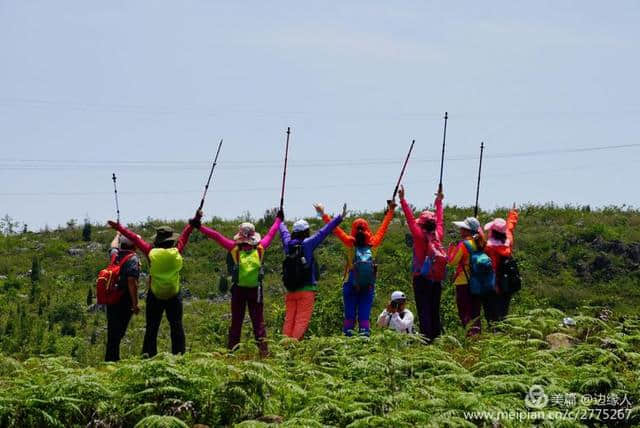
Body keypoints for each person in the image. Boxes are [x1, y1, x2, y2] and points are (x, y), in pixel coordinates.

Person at [108, 212, 200, 357]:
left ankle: (148, 356)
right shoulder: (177, 251)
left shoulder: (151, 252)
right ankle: (179, 355)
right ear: (172, 241)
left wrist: (119, 227)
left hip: (155, 295)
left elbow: (134, 239)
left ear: (157, 240)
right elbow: (185, 234)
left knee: (152, 327)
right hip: (174, 295)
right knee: (176, 326)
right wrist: (194, 220)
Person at [192, 210, 282, 356]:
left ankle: (232, 353)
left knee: (236, 322)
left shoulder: (234, 248)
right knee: (258, 322)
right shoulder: (260, 248)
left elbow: (216, 236)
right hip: (255, 290)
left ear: (240, 234)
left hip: (238, 290)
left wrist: (199, 226)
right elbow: (271, 233)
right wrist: (278, 219)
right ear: (254, 235)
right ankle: (264, 353)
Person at [319, 200, 396, 336]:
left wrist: (323, 213)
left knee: (349, 317)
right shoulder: (374, 244)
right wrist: (390, 211)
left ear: (353, 229)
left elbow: (334, 228)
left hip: (350, 284)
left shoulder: (349, 242)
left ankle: (348, 343)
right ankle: (364, 342)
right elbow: (383, 227)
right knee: (364, 317)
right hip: (368, 286)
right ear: (367, 229)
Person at [279, 204, 346, 340]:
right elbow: (323, 232)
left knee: (289, 319)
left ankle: (283, 346)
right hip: (307, 289)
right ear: (306, 231)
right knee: (301, 320)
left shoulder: (288, 245)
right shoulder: (308, 243)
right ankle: (292, 346)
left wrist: (280, 221)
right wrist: (339, 218)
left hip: (291, 290)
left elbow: (284, 233)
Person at [398, 184, 446, 342]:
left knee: (424, 310)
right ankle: (437, 339)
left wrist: (403, 200)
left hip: (421, 277)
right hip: (436, 278)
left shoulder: (419, 235)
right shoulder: (438, 234)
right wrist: (439, 201)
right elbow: (440, 220)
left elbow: (410, 219)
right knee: (434, 310)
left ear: (422, 224)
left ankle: (426, 342)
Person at [105, 232, 140, 362]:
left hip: (111, 297)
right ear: (134, 245)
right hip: (124, 300)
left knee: (112, 332)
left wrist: (117, 235)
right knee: (118, 333)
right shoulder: (133, 258)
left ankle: (110, 361)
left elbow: (113, 246)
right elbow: (132, 282)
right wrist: (135, 304)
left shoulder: (115, 255)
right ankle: (113, 361)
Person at [448, 217, 484, 336]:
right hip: (478, 282)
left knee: (465, 313)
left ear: (467, 230)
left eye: (463, 228)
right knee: (476, 313)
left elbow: (452, 262)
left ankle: (470, 338)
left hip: (464, 282)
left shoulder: (464, 244)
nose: (460, 230)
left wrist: (451, 248)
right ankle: (477, 337)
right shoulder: (480, 243)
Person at [483, 204, 519, 322]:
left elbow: (492, 269)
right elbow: (510, 226)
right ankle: (502, 336)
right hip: (507, 284)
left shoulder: (490, 248)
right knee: (503, 313)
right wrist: (513, 213)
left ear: (493, 232)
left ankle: (494, 336)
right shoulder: (508, 240)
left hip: (495, 286)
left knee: (492, 315)